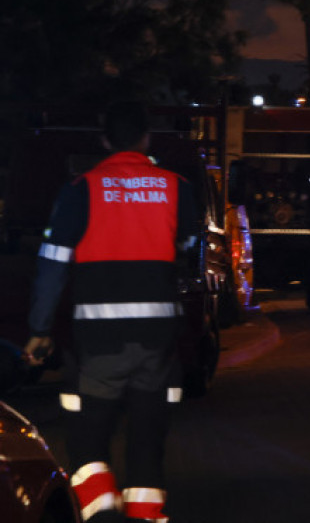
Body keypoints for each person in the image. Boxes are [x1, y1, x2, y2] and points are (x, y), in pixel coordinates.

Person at [24, 101, 199, 523]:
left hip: (98, 338)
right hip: (157, 334)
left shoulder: (81, 189)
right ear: (146, 139)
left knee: (88, 430)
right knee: (147, 431)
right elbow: (191, 252)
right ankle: (144, 514)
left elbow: (52, 264)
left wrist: (39, 329)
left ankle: (101, 507)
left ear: (105, 142)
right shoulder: (176, 187)